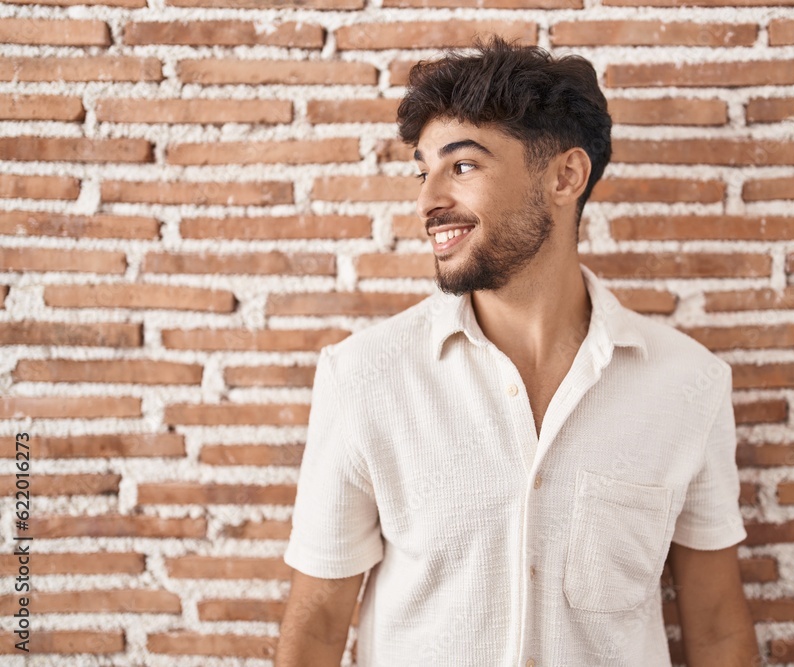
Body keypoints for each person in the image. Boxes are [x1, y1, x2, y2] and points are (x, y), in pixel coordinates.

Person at [276, 34, 758, 667]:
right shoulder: (365, 376)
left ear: (565, 175)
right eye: (425, 170)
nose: (427, 200)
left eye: (464, 165)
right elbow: (317, 624)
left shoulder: (689, 384)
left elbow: (718, 625)